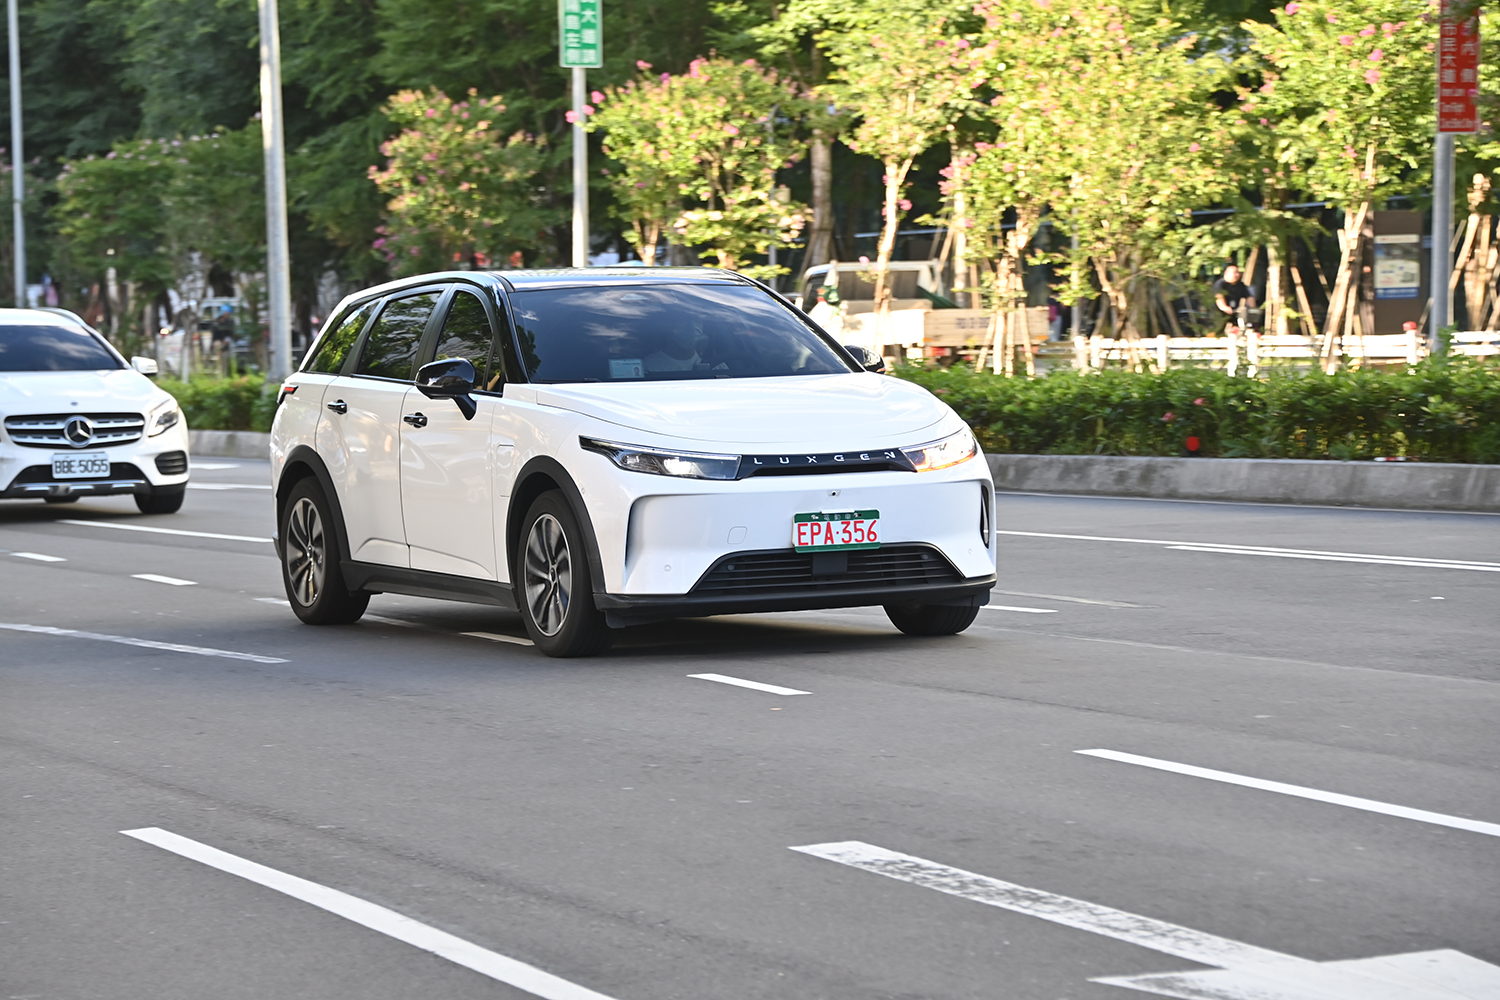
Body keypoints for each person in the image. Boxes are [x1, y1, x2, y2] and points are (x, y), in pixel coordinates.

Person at [1212, 264, 1255, 331]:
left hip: (1234, 312)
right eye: (1234, 272)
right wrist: (1224, 307)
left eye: (1238, 272)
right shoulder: (1220, 284)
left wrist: (1251, 309)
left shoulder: (1241, 285)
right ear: (1226, 273)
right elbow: (1219, 297)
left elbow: (1249, 297)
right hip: (1218, 313)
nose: (1236, 275)